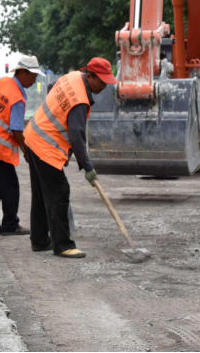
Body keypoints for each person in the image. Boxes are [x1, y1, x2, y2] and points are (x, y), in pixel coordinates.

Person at [23, 57, 118, 257]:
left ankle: (39, 240)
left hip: (33, 134)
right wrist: (88, 167)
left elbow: (51, 86)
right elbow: (77, 136)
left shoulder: (72, 76)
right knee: (59, 192)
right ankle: (63, 245)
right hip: (45, 145)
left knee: (41, 194)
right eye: (101, 80)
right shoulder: (80, 101)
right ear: (90, 76)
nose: (104, 85)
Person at [0, 55, 45, 236]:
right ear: (22, 73)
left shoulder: (2, 82)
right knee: (10, 186)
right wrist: (27, 153)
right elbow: (17, 131)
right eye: (33, 76)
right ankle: (10, 225)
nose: (33, 80)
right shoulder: (18, 98)